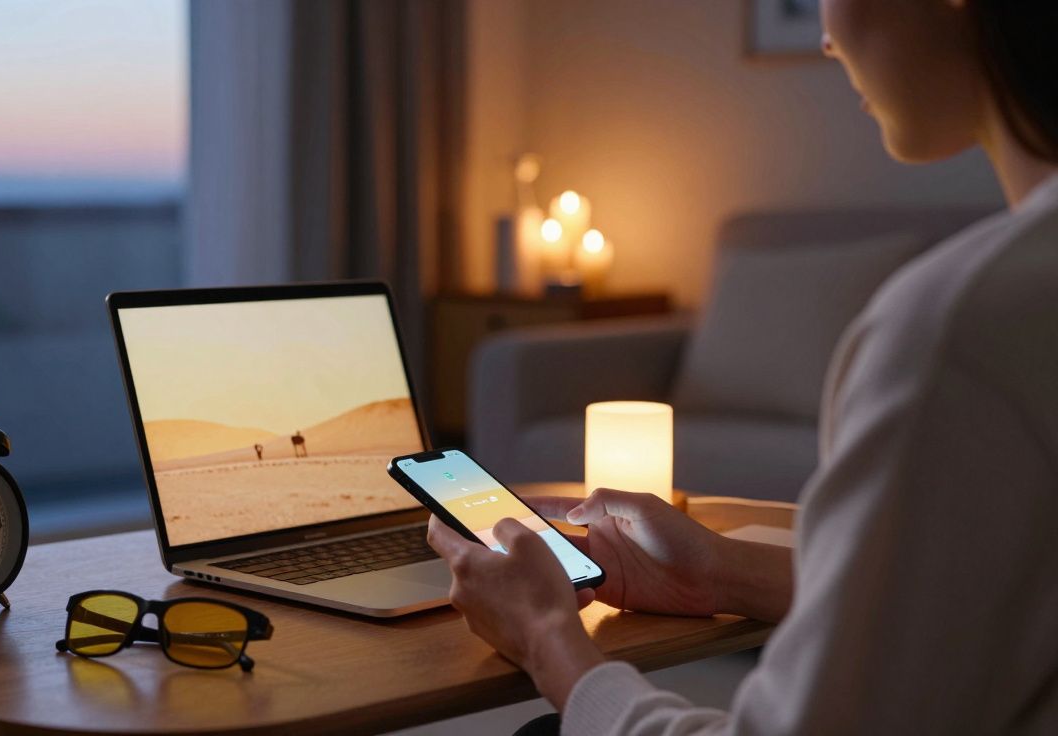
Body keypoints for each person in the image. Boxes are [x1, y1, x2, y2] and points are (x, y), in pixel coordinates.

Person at [427, 1, 1058, 733]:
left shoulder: (959, 330)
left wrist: (545, 637)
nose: (825, 36)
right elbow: (989, 601)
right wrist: (719, 572)